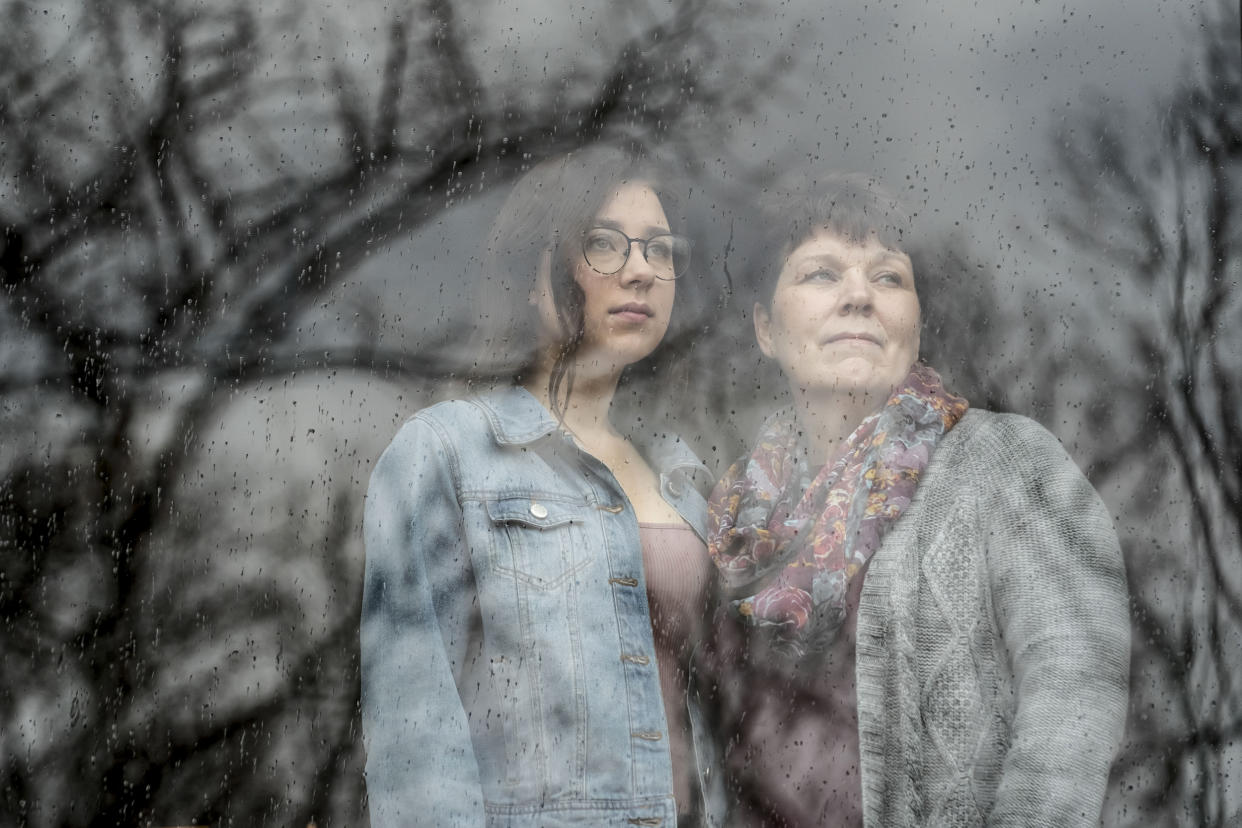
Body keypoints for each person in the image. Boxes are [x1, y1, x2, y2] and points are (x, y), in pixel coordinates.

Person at [698, 174, 1130, 827]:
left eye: (889, 277)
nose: (859, 296)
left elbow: (1074, 695)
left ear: (917, 325)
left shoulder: (1004, 463)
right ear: (765, 328)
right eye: (821, 274)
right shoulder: (729, 523)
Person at [361, 146, 719, 827]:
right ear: (533, 272)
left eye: (661, 250)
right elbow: (416, 742)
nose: (642, 270)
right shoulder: (447, 455)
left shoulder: (683, 476)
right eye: (605, 244)